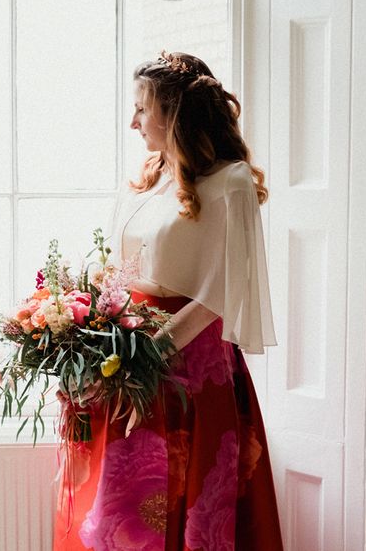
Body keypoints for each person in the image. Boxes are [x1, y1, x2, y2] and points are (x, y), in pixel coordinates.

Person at [53, 51, 284, 550]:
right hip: (127, 355)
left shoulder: (231, 182)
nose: (133, 121)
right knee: (122, 510)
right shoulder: (144, 178)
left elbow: (221, 291)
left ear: (174, 112)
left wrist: (149, 356)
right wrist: (88, 335)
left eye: (142, 108)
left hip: (189, 367)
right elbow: (116, 268)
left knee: (189, 505)